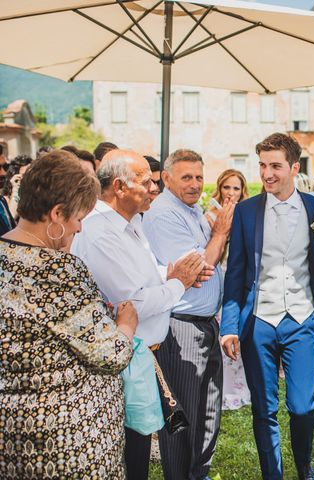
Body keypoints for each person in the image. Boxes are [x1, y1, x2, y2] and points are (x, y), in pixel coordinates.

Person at [71, 149, 211, 479]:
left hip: (142, 357)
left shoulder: (131, 221)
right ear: (119, 187)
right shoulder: (99, 233)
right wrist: (179, 285)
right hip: (120, 363)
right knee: (128, 457)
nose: (153, 188)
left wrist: (169, 273)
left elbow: (142, 277)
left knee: (137, 450)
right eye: (145, 181)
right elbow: (130, 305)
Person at [0, 150, 138, 479]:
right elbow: (110, 354)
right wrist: (125, 325)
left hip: (12, 436)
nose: (79, 229)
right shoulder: (59, 271)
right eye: (77, 218)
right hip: (67, 441)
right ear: (57, 214)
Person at [221, 133, 314, 480]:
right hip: (259, 321)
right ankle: (273, 475)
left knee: (301, 405)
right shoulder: (246, 212)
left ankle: (303, 468)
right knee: (264, 409)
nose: (267, 174)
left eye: (275, 166)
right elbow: (235, 272)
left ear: (295, 167)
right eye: (263, 165)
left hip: (301, 319)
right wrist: (229, 326)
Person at [143, 149, 235, 480]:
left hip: (205, 325)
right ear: (166, 178)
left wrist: (214, 238)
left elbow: (207, 259)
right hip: (180, 328)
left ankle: (199, 473)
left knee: (209, 411)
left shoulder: (193, 210)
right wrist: (220, 234)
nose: (195, 184)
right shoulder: (162, 215)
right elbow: (196, 271)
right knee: (183, 417)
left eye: (199, 176)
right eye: (186, 177)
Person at [210, 169, 252, 410]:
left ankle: (237, 388)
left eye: (236, 188)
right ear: (220, 187)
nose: (231, 193)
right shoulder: (210, 213)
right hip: (217, 275)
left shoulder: (247, 214)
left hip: (237, 278)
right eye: (227, 187)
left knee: (235, 328)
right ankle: (219, 387)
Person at [2, 155, 33, 221]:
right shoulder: (6, 199)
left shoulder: (40, 195)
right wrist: (15, 190)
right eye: (25, 175)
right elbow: (11, 218)